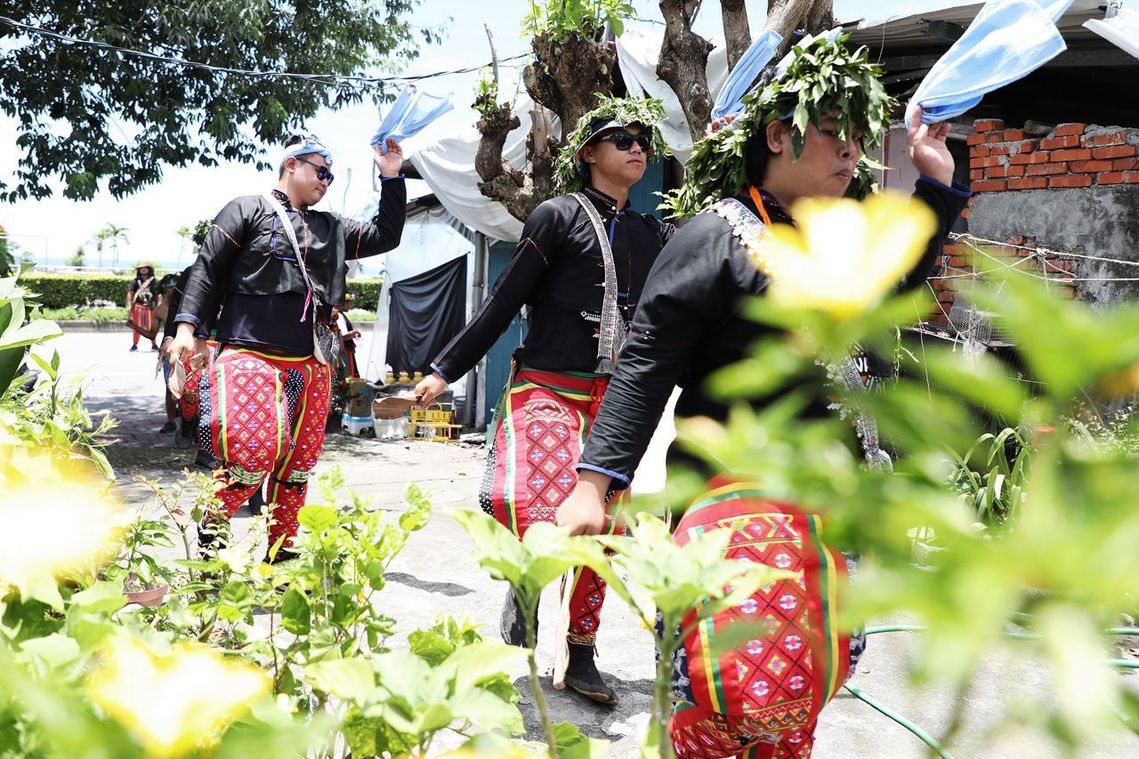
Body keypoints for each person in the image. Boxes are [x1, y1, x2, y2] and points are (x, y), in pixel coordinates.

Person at [556, 35, 970, 758]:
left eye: (857, 140)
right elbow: (646, 362)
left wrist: (935, 184)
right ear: (777, 136)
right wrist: (594, 484)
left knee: (795, 705)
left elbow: (899, 282)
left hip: (831, 506)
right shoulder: (714, 237)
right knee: (729, 701)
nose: (852, 155)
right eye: (834, 135)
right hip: (737, 501)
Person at [414, 96, 673, 705]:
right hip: (547, 388)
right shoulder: (556, 216)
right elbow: (501, 303)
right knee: (532, 504)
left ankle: (580, 651)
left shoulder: (650, 232)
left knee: (601, 527)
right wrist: (443, 369)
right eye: (621, 138)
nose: (637, 148)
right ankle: (529, 585)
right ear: (587, 153)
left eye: (643, 140)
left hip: (614, 402)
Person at [165, 134, 406, 558]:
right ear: (291, 164)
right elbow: (207, 267)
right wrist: (187, 326)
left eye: (331, 176)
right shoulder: (247, 208)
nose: (326, 181)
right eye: (320, 171)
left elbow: (387, 235)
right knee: (253, 455)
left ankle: (281, 555)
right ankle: (213, 528)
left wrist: (391, 177)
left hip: (311, 364)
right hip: (249, 355)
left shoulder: (331, 227)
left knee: (297, 469)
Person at [126, 262, 160, 352]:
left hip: (151, 308)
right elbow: (130, 293)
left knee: (152, 327)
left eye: (146, 268)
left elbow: (158, 295)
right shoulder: (135, 281)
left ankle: (154, 345)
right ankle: (135, 344)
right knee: (136, 326)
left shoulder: (155, 282)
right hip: (138, 307)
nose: (143, 269)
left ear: (149, 269)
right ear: (139, 270)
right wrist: (129, 305)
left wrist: (159, 306)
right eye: (141, 268)